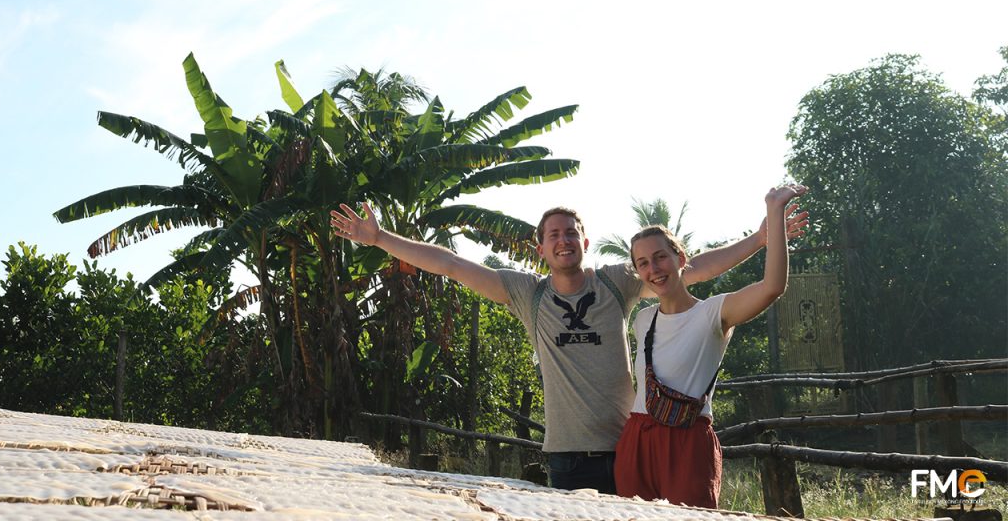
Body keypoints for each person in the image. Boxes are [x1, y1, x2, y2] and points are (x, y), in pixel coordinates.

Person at [330, 200, 807, 493]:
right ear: (540, 248)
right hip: (566, 454)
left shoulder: (617, 284)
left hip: (627, 447)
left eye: (570, 232)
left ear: (585, 241)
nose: (562, 240)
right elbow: (450, 263)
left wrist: (760, 239)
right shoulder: (528, 294)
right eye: (552, 234)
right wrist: (378, 238)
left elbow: (693, 268)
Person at [614, 184, 808, 508]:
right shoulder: (642, 320)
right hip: (638, 439)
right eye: (644, 263)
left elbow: (772, 287)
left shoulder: (713, 313)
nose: (654, 269)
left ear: (680, 258)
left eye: (661, 257)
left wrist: (773, 214)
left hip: (688, 441)